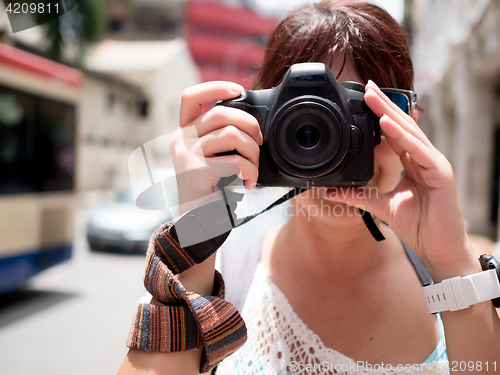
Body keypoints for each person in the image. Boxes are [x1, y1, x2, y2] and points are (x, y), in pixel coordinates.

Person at [118, 1, 500, 374]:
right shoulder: (222, 265)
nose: (333, 146)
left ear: (410, 123)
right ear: (257, 127)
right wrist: (196, 239)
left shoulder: (465, 269)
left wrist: (452, 266)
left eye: (368, 115)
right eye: (306, 117)